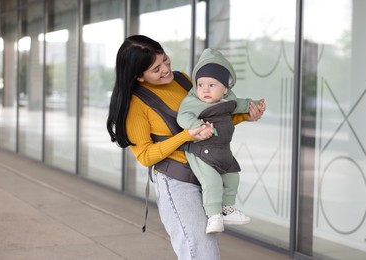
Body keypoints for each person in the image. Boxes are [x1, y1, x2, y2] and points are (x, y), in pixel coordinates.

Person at [106, 35, 265, 260]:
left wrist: (247, 115)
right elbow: (145, 155)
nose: (165, 69)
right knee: (202, 252)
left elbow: (213, 118)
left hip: (207, 172)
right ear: (139, 77)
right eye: (156, 69)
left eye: (165, 60)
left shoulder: (183, 80)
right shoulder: (136, 105)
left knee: (204, 249)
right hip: (177, 182)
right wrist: (185, 136)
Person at [176, 48, 265, 234]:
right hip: (201, 151)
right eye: (200, 85)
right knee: (212, 182)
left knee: (233, 176)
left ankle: (228, 209)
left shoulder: (227, 101)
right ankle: (213, 215)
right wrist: (196, 125)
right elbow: (182, 117)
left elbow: (242, 104)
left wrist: (255, 105)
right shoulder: (193, 102)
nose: (205, 90)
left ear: (225, 88)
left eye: (212, 85)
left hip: (223, 151)